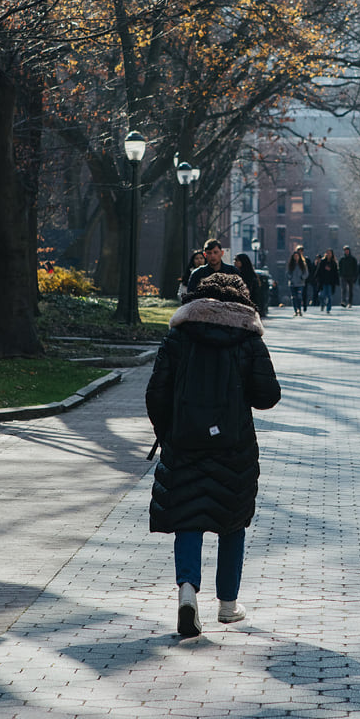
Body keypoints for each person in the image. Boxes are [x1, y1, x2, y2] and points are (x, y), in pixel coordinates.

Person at [145, 272, 281, 637]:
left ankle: (188, 592)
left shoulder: (178, 336)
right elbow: (268, 395)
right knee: (231, 520)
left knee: (188, 516)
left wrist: (166, 431)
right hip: (233, 443)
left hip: (185, 442)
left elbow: (156, 392)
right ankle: (228, 605)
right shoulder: (247, 337)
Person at [234, 252, 267, 318]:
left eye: (237, 260)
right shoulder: (235, 274)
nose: (234, 262)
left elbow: (256, 295)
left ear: (243, 261)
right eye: (234, 260)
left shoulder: (251, 277)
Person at [285, 248, 310, 317]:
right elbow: (287, 273)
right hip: (292, 284)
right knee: (294, 297)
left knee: (299, 296)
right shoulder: (290, 264)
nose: (296, 257)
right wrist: (290, 277)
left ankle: (299, 309)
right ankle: (295, 310)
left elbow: (306, 273)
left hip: (300, 283)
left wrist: (302, 277)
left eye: (297, 256)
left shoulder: (303, 264)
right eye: (295, 256)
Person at [315, 249, 339, 313]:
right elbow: (318, 271)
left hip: (331, 282)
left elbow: (336, 273)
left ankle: (328, 309)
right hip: (323, 281)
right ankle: (322, 304)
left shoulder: (333, 263)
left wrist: (337, 281)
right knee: (322, 295)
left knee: (329, 296)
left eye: (330, 253)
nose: (328, 254)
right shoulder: (322, 262)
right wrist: (316, 278)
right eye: (327, 253)